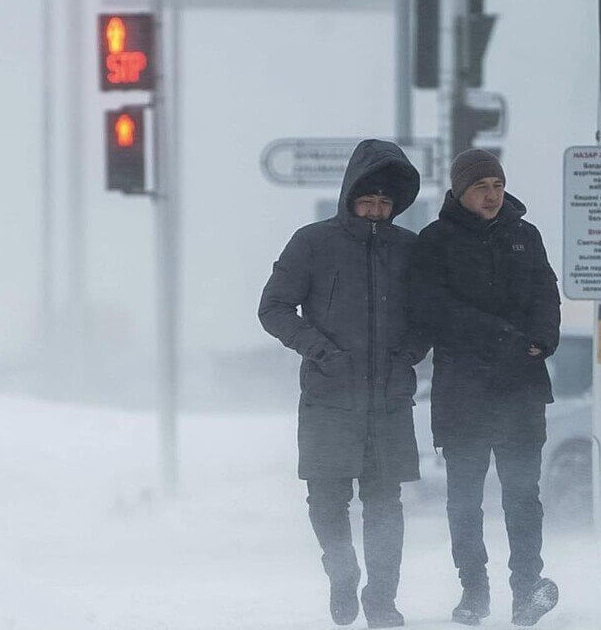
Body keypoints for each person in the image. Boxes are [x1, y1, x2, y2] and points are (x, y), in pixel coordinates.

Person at [259, 139, 428, 628]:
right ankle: (341, 568)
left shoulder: (409, 250)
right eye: (367, 199)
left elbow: (428, 316)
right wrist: (322, 352)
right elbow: (273, 308)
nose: (376, 209)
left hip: (388, 399)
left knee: (385, 504)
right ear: (349, 196)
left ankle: (382, 600)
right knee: (326, 500)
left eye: (384, 202)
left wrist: (407, 357)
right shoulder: (312, 243)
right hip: (328, 397)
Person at [410, 149, 562, 627]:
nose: (492, 195)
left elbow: (546, 294)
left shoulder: (525, 236)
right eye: (481, 187)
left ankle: (527, 589)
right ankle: (473, 592)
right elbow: (435, 310)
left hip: (521, 387)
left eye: (497, 185)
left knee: (523, 494)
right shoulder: (435, 241)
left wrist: (544, 339)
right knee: (464, 500)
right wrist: (504, 336)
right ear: (460, 191)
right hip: (463, 391)